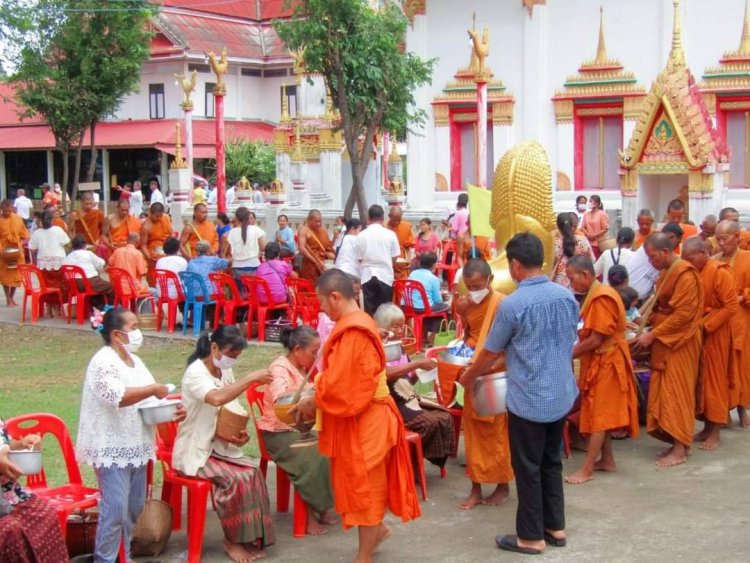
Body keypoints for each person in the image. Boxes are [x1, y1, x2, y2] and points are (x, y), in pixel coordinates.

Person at [459, 233, 578, 555]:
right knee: (551, 462)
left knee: (527, 469)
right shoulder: (566, 296)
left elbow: (488, 353)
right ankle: (555, 527)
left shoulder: (513, 304)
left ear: (514, 265)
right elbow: (571, 341)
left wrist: (469, 377)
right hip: (561, 392)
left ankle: (530, 537)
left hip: (530, 399)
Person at [291, 269, 420, 563]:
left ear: (335, 297)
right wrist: (320, 389)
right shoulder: (359, 321)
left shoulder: (355, 329)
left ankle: (363, 556)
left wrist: (315, 396)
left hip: (369, 417)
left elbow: (342, 386)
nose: (321, 308)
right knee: (358, 482)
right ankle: (380, 530)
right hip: (361, 415)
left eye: (322, 301)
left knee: (366, 487)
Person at [77, 308, 185, 562]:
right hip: (110, 446)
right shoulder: (103, 361)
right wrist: (152, 390)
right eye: (134, 326)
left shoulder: (134, 360)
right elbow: (118, 397)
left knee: (134, 507)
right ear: (117, 334)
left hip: (137, 443)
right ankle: (104, 559)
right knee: (114, 510)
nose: (138, 332)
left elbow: (150, 399)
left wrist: (171, 409)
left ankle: (122, 555)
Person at [172, 326, 274, 562]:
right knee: (234, 479)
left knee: (252, 472)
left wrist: (236, 434)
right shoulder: (195, 373)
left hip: (217, 446)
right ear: (214, 347)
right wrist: (251, 378)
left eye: (237, 356)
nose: (232, 360)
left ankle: (249, 539)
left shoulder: (223, 371)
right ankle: (232, 541)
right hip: (194, 451)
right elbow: (217, 398)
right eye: (231, 354)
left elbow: (227, 409)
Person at [564, 256, 639, 485]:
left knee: (599, 414)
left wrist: (566, 355)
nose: (571, 283)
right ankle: (607, 459)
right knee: (600, 410)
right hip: (600, 359)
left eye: (572, 278)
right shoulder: (596, 294)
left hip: (607, 360)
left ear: (586, 275)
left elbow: (597, 338)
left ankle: (587, 468)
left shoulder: (602, 297)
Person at [631, 233, 703, 468]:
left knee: (677, 392)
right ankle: (675, 441)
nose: (651, 262)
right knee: (664, 392)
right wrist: (643, 320)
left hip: (679, 342)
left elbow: (684, 314)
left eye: (652, 256)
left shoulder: (685, 273)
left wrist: (652, 334)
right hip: (664, 340)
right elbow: (660, 305)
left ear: (664, 251)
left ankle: (681, 448)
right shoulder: (665, 273)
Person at [259, 326, 336, 535]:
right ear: (297, 349)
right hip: (278, 433)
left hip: (299, 429)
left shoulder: (305, 369)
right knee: (314, 455)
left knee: (333, 445)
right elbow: (281, 396)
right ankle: (309, 516)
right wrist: (314, 389)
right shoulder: (279, 368)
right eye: (313, 351)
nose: (316, 356)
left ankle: (322, 506)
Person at [452, 259, 513, 510]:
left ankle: (502, 486)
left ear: (490, 280)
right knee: (473, 433)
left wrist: (486, 364)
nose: (473, 289)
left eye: (477, 285)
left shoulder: (503, 304)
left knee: (498, 433)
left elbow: (510, 345)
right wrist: (460, 355)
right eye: (469, 285)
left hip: (496, 371)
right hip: (473, 373)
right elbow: (468, 336)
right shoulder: (465, 304)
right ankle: (475, 488)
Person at [373, 303, 456, 468]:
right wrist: (415, 366)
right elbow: (385, 374)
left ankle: (418, 459)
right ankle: (409, 463)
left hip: (409, 398)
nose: (399, 330)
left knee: (445, 417)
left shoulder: (399, 348)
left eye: (400, 326)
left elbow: (408, 380)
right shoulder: (377, 348)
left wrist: (422, 374)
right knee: (428, 423)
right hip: (393, 404)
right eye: (394, 326)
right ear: (383, 327)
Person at [681, 237, 737, 450]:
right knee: (701, 382)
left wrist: (706, 325)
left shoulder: (720, 271)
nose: (687, 262)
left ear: (703, 253)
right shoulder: (696, 273)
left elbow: (730, 307)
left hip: (716, 335)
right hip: (698, 334)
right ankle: (706, 426)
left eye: (690, 258)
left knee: (715, 382)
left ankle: (715, 432)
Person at [0, 418, 68, 560]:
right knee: (11, 531)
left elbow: (5, 443)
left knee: (46, 514)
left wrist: (21, 444)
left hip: (9, 492)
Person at [714, 219, 750, 427]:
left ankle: (742, 409)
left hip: (741, 323)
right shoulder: (715, 260)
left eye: (725, 239)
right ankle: (722, 412)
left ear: (737, 237)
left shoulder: (747, 258)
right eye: (718, 239)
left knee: (742, 369)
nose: (721, 244)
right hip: (720, 323)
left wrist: (742, 297)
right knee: (721, 370)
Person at [357, 205, 400, 316]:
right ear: (382, 217)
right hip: (385, 275)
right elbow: (394, 256)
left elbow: (359, 258)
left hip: (367, 275)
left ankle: (371, 331)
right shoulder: (390, 235)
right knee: (385, 312)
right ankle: (384, 332)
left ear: (369, 218)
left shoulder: (361, 235)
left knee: (369, 311)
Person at [29, 210, 70, 301]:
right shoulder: (58, 230)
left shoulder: (37, 233)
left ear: (41, 221)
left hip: (43, 265)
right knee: (61, 285)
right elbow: (67, 243)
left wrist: (37, 258)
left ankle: (49, 306)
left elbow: (32, 249)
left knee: (46, 285)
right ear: (52, 220)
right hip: (59, 263)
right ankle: (59, 305)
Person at [63, 235, 113, 307]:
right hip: (89, 282)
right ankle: (111, 308)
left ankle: (99, 307)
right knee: (109, 287)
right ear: (84, 245)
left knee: (97, 289)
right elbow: (101, 263)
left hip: (74, 285)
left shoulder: (68, 257)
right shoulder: (88, 253)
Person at [551, 212, 594, 289]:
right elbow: (592, 261)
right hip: (580, 284)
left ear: (558, 227)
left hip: (559, 286)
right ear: (572, 226)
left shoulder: (554, 244)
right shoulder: (583, 240)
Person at [0, 199, 29, 307]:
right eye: (4, 211)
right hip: (4, 252)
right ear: (1, 209)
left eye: (9, 211)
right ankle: (8, 299)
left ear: (12, 209)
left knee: (17, 276)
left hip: (17, 251)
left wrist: (20, 244)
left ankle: (12, 297)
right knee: (5, 276)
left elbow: (24, 235)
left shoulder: (17, 219)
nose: (7, 213)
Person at [225, 207, 266, 279]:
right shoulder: (256, 230)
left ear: (236, 218)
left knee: (240, 290)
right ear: (248, 217)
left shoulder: (232, 232)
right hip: (253, 265)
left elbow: (229, 251)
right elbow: (263, 247)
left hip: (236, 266)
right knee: (252, 289)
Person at [140, 202, 174, 286]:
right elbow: (143, 245)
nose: (159, 218)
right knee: (154, 278)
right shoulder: (146, 226)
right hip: (154, 253)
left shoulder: (166, 217)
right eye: (157, 216)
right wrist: (149, 257)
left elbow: (171, 233)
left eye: (160, 216)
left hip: (167, 250)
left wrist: (172, 247)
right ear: (150, 213)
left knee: (169, 274)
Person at [298, 209, 335, 285]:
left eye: (320, 221)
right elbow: (302, 248)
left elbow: (328, 247)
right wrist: (315, 261)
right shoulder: (303, 231)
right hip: (310, 265)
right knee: (311, 288)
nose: (318, 224)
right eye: (316, 221)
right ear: (309, 220)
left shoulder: (323, 231)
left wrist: (330, 254)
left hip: (322, 265)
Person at [387, 207, 415, 280]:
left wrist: (409, 260)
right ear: (389, 216)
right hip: (387, 259)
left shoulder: (406, 226)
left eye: (399, 220)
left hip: (401, 261)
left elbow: (410, 245)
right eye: (395, 220)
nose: (398, 222)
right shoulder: (384, 227)